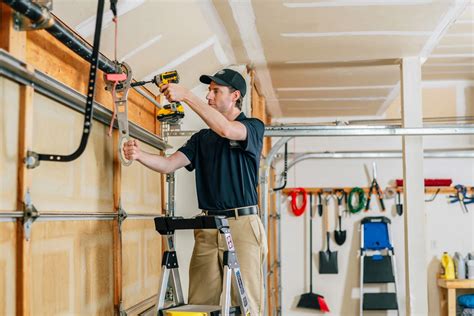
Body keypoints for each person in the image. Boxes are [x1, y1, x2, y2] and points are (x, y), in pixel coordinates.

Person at [123, 68, 267, 315]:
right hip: (209, 226)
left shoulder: (252, 127)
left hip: (242, 225)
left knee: (247, 306)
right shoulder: (202, 139)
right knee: (199, 304)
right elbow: (168, 165)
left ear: (235, 96)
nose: (209, 96)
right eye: (208, 90)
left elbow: (227, 130)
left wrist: (188, 96)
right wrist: (139, 156)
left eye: (215, 91)